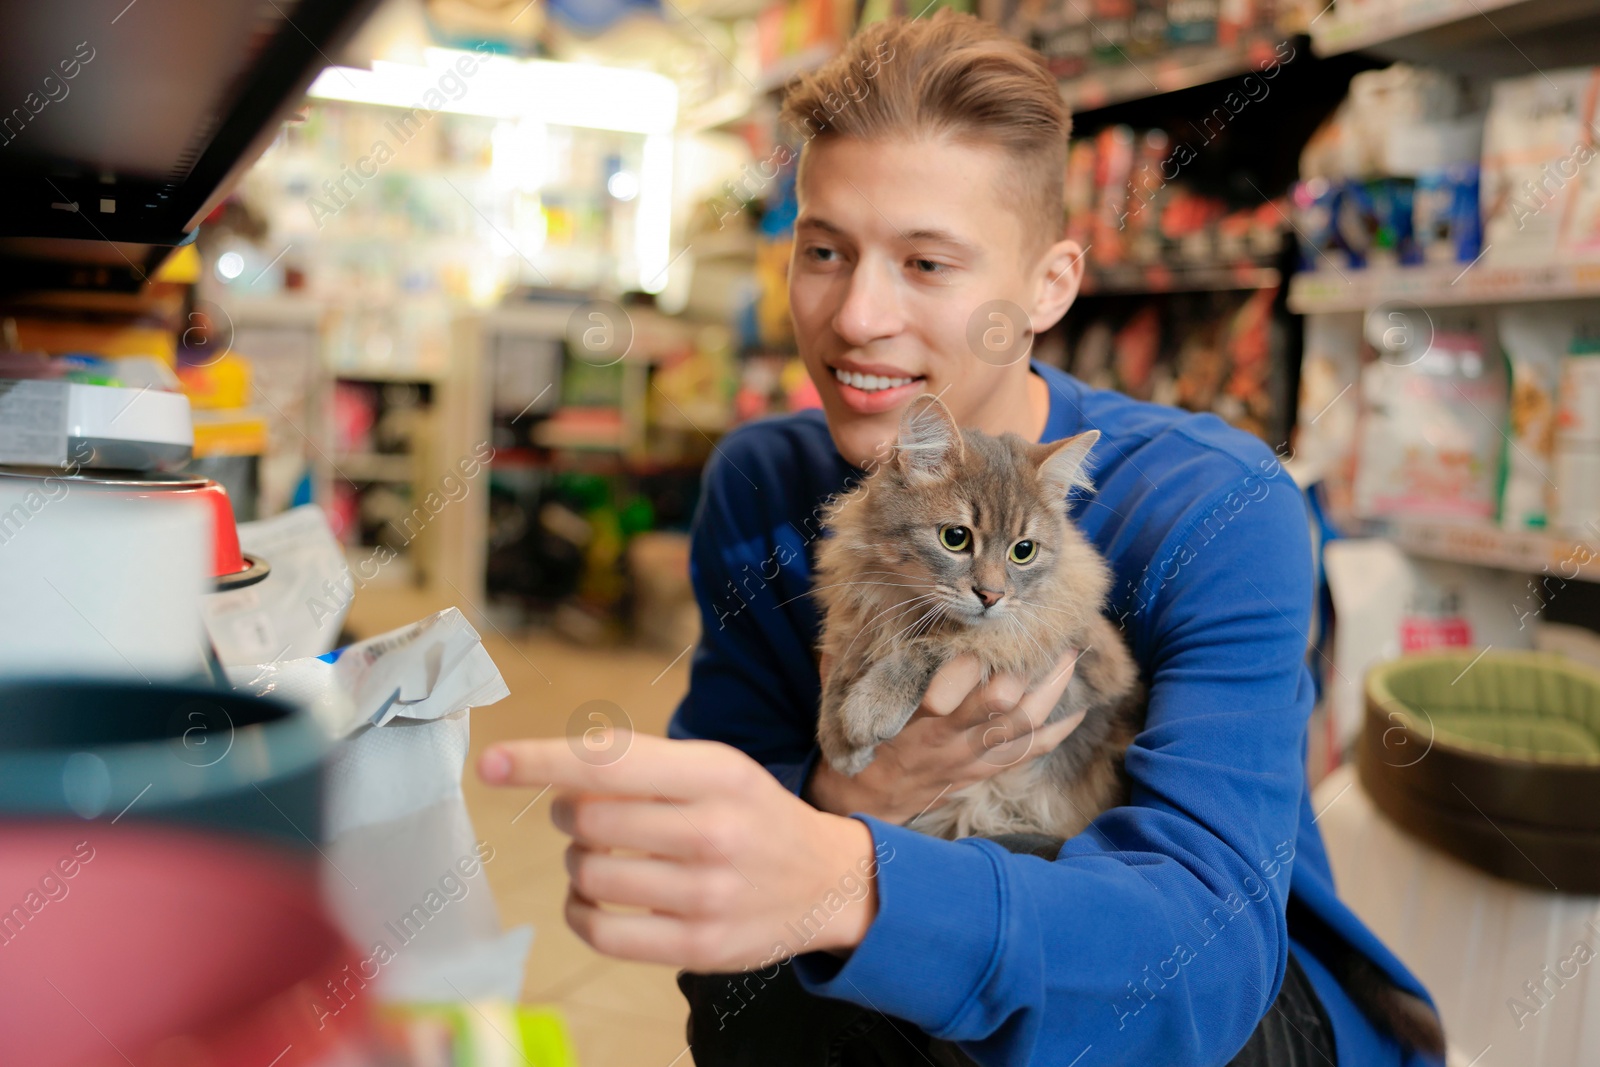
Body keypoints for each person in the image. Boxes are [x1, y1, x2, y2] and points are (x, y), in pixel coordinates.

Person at [477, 11, 1445, 1065]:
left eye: (926, 263)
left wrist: (849, 874)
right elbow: (728, 940)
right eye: (823, 250)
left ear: (1049, 286)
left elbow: (1196, 970)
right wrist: (853, 802)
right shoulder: (763, 484)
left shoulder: (1215, 502)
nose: (854, 316)